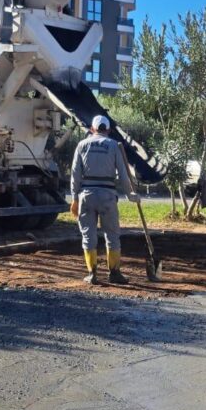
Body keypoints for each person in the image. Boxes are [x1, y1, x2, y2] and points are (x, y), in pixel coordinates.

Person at [71, 115, 139, 284]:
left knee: (88, 235)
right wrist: (130, 194)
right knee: (112, 235)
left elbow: (75, 175)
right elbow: (123, 174)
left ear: (92, 129)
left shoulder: (82, 145)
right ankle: (114, 273)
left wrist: (74, 198)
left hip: (86, 195)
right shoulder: (114, 145)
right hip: (108, 195)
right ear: (108, 130)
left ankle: (92, 274)